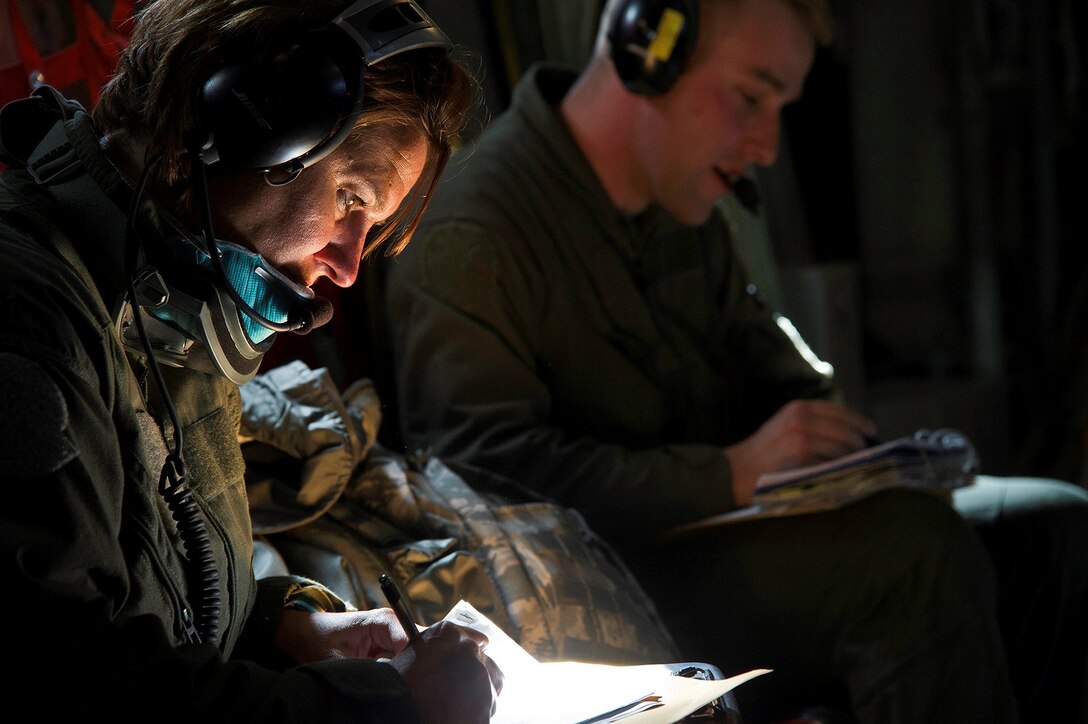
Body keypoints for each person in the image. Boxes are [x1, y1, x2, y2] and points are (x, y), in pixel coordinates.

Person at [374, 0, 1088, 722]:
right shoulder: (474, 230)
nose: (769, 145)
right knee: (910, 556)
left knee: (1053, 520)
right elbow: (478, 485)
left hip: (730, 539)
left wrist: (842, 450)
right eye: (751, 96)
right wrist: (729, 474)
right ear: (644, 50)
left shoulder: (687, 213)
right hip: (607, 584)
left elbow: (776, 370)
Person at [0, 0, 503, 721]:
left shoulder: (170, 318)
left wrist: (286, 630)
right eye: (349, 198)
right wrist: (384, 708)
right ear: (239, 126)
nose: (349, 265)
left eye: (373, 225)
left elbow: (160, 608)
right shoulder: (27, 318)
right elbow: (77, 679)